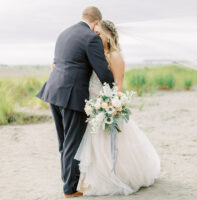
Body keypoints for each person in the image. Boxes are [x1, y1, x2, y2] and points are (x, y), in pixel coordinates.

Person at [74, 20, 160, 196]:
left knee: (108, 144)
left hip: (106, 106)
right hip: (93, 104)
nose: (95, 37)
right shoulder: (97, 54)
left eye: (98, 34)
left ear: (108, 35)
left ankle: (116, 176)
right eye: (94, 34)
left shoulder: (115, 55)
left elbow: (118, 86)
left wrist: (111, 107)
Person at [36, 6, 114, 198]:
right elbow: (102, 71)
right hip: (72, 96)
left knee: (64, 142)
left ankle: (68, 181)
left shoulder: (63, 33)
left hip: (53, 91)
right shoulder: (91, 38)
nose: (97, 31)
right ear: (96, 22)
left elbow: (56, 62)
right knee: (73, 143)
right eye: (98, 27)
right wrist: (112, 92)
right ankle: (69, 189)